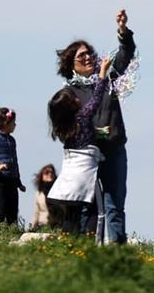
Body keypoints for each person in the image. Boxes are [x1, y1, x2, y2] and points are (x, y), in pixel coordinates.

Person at [55, 8, 135, 244]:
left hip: (114, 150)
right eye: (81, 57)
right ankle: (84, 248)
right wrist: (93, 132)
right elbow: (68, 126)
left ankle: (117, 250)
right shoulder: (68, 93)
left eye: (89, 53)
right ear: (71, 65)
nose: (88, 58)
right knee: (85, 205)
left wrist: (122, 30)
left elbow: (126, 53)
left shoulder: (108, 78)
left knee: (115, 204)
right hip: (86, 155)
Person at [46, 57, 113, 237]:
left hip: (69, 178)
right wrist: (103, 71)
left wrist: (98, 132)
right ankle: (89, 242)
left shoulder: (63, 128)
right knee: (94, 210)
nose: (77, 98)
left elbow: (83, 136)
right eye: (73, 99)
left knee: (72, 214)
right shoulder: (82, 118)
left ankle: (70, 242)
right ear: (71, 106)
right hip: (85, 175)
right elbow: (97, 98)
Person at [30, 164, 57, 230]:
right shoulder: (39, 194)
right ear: (41, 176)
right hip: (43, 225)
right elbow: (36, 212)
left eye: (52, 172)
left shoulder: (58, 191)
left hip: (57, 225)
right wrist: (32, 228)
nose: (50, 174)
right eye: (46, 172)